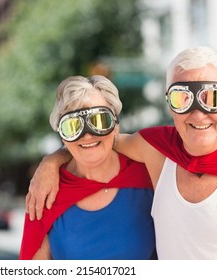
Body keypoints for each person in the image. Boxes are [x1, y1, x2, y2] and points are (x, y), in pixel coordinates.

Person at [26, 46, 217, 260]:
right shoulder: (158, 152)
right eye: (183, 98)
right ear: (170, 106)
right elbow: (95, 140)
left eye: (213, 97)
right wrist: (51, 161)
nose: (198, 112)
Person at [19, 75, 156, 260]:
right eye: (74, 126)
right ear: (62, 136)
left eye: (99, 121)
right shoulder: (45, 194)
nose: (87, 135)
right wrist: (50, 161)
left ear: (115, 126)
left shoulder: (148, 174)